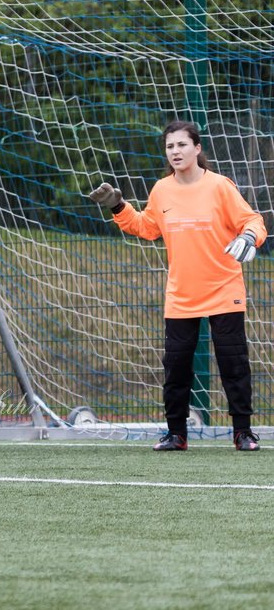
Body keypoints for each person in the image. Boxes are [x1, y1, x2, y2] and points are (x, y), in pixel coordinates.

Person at [90, 119, 266, 452]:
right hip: (181, 295)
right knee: (176, 368)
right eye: (170, 146)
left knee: (234, 365)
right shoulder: (162, 189)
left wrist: (248, 237)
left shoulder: (220, 186)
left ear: (197, 149)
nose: (176, 151)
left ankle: (243, 432)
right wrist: (117, 205)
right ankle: (176, 434)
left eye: (182, 144)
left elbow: (252, 221)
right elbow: (146, 227)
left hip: (224, 288)